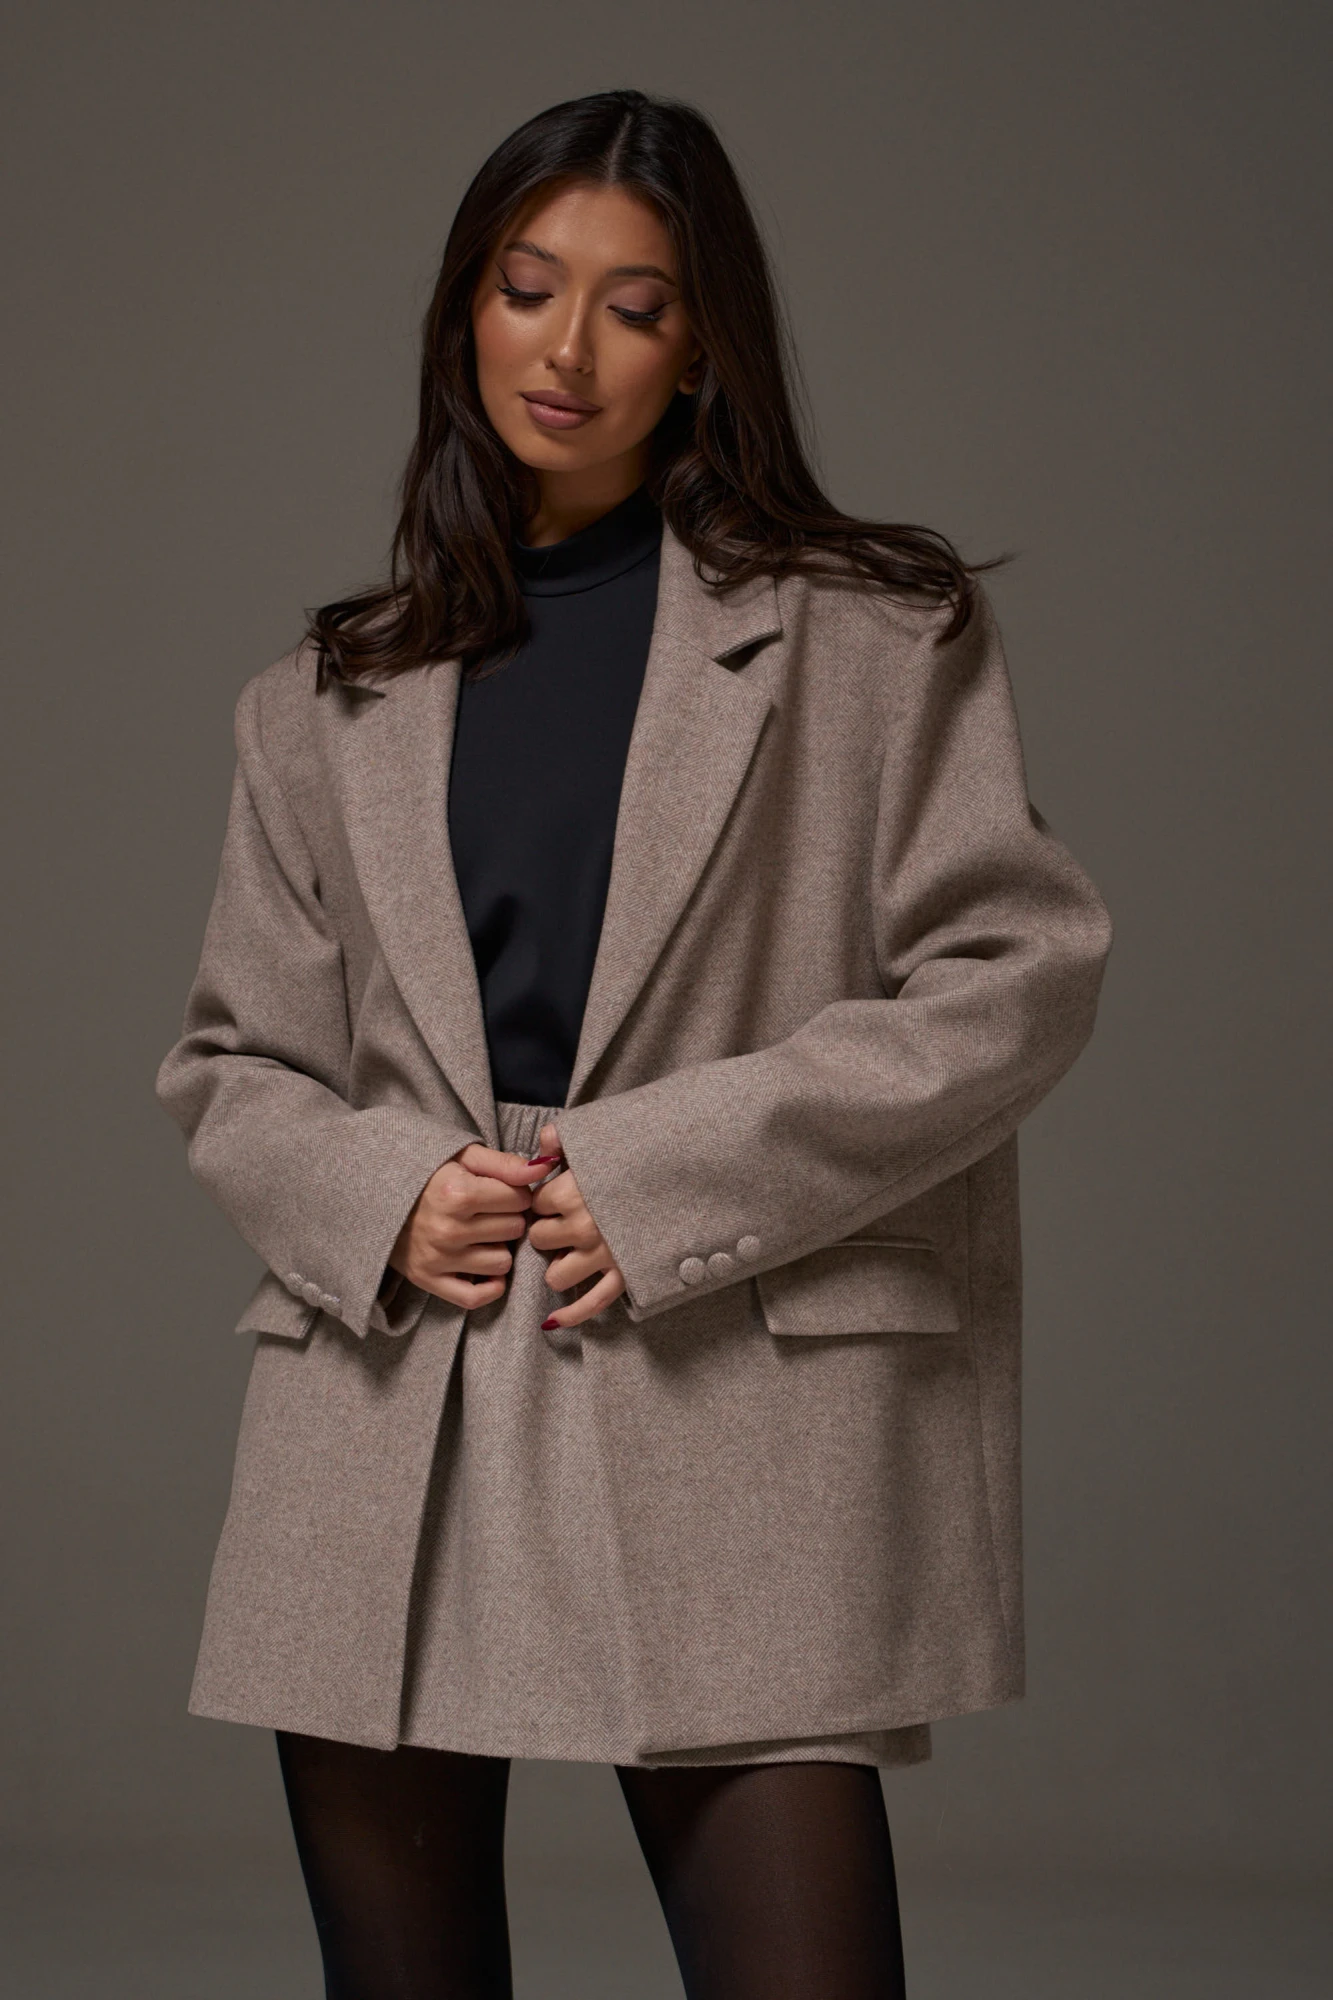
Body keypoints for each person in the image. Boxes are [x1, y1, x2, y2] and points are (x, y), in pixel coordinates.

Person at [156, 86, 1113, 2000]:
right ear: (465, 312)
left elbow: (1019, 969)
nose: (569, 351)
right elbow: (234, 1060)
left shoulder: (873, 639)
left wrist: (662, 1169)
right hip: (391, 1423)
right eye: (527, 291)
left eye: (636, 306)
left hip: (726, 1383)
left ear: (704, 348)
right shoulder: (321, 699)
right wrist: (386, 1191)